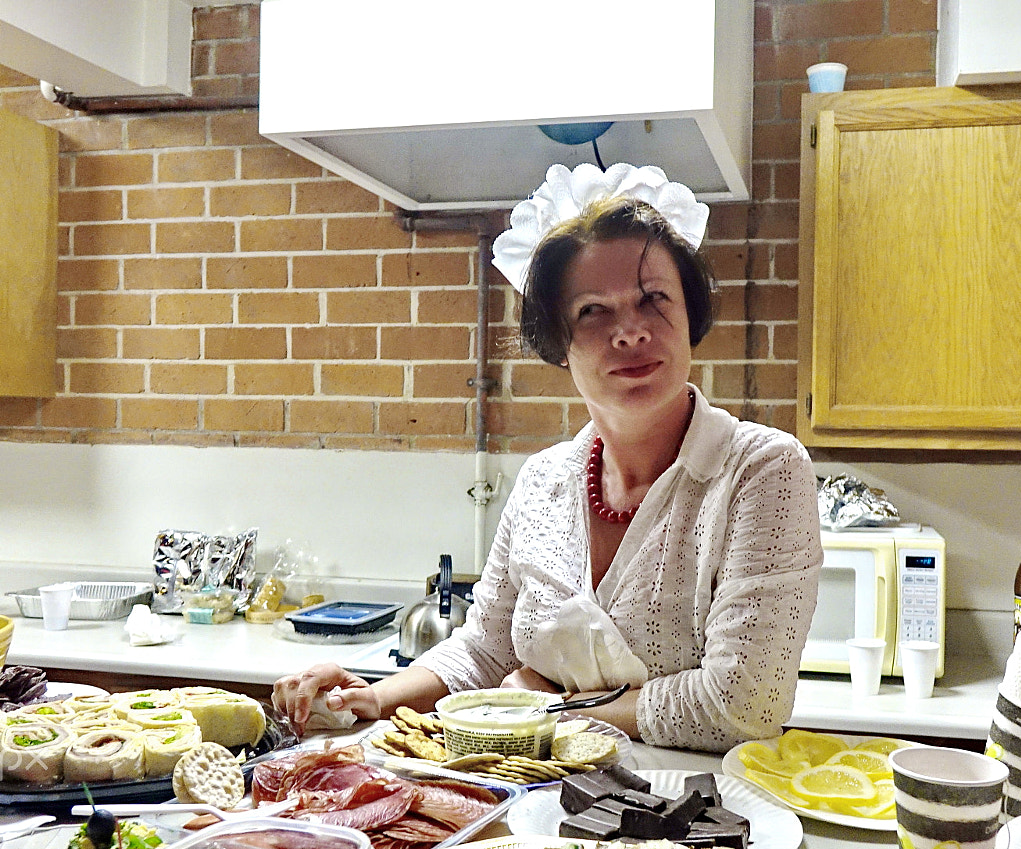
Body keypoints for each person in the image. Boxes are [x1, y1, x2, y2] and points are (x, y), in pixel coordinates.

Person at [274, 163, 822, 752]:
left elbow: (743, 704)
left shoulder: (760, 470)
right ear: (557, 342)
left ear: (691, 316)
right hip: (530, 812)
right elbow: (485, 651)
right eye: (593, 311)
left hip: (695, 826)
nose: (630, 331)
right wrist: (375, 697)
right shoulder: (543, 481)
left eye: (654, 299)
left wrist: (552, 708)